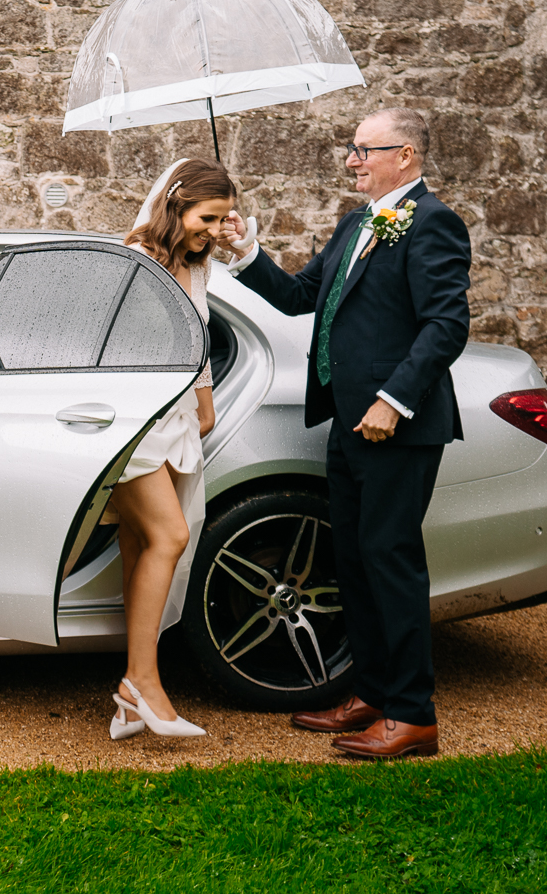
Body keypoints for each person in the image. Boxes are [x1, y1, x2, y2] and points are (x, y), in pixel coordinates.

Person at [216, 107, 470, 761]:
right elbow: (302, 296)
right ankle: (374, 693)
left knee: (392, 563)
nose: (352, 160)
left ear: (406, 155)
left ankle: (414, 716)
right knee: (354, 562)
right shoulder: (357, 224)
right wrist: (245, 251)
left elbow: (445, 326)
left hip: (397, 427)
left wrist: (393, 401)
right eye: (352, 150)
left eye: (365, 149)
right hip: (348, 423)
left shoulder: (433, 224)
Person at [106, 157, 236, 741]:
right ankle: (143, 686)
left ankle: (131, 700)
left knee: (139, 543)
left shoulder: (195, 264)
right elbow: (111, 346)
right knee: (171, 535)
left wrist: (204, 398)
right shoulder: (136, 263)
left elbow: (195, 339)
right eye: (207, 217)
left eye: (224, 219)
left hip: (178, 420)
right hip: (133, 422)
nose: (214, 230)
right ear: (175, 205)